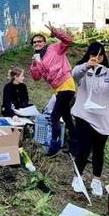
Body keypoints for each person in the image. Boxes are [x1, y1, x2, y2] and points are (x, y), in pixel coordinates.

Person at [70, 42, 109, 197]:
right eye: (93, 55)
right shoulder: (83, 71)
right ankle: (77, 177)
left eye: (99, 55)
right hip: (84, 115)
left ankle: (96, 180)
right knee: (84, 149)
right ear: (89, 55)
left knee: (99, 150)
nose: (96, 58)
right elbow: (74, 74)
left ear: (104, 57)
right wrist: (86, 65)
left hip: (104, 119)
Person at [30, 23, 76, 156]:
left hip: (67, 85)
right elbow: (36, 77)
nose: (37, 43)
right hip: (59, 89)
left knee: (55, 116)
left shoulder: (55, 48)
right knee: (67, 117)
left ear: (45, 42)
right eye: (34, 42)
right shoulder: (38, 58)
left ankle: (54, 146)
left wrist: (56, 32)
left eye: (39, 41)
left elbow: (69, 41)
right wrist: (34, 63)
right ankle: (75, 146)